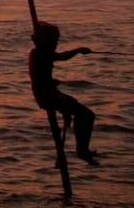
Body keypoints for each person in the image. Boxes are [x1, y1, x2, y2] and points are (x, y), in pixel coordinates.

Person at [30, 21, 99, 164]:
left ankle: (82, 148)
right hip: (48, 96)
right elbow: (61, 57)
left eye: (56, 41)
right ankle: (81, 150)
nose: (55, 43)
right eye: (53, 41)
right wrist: (78, 50)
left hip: (51, 93)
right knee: (86, 115)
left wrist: (52, 82)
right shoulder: (40, 53)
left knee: (82, 113)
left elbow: (41, 76)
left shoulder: (40, 53)